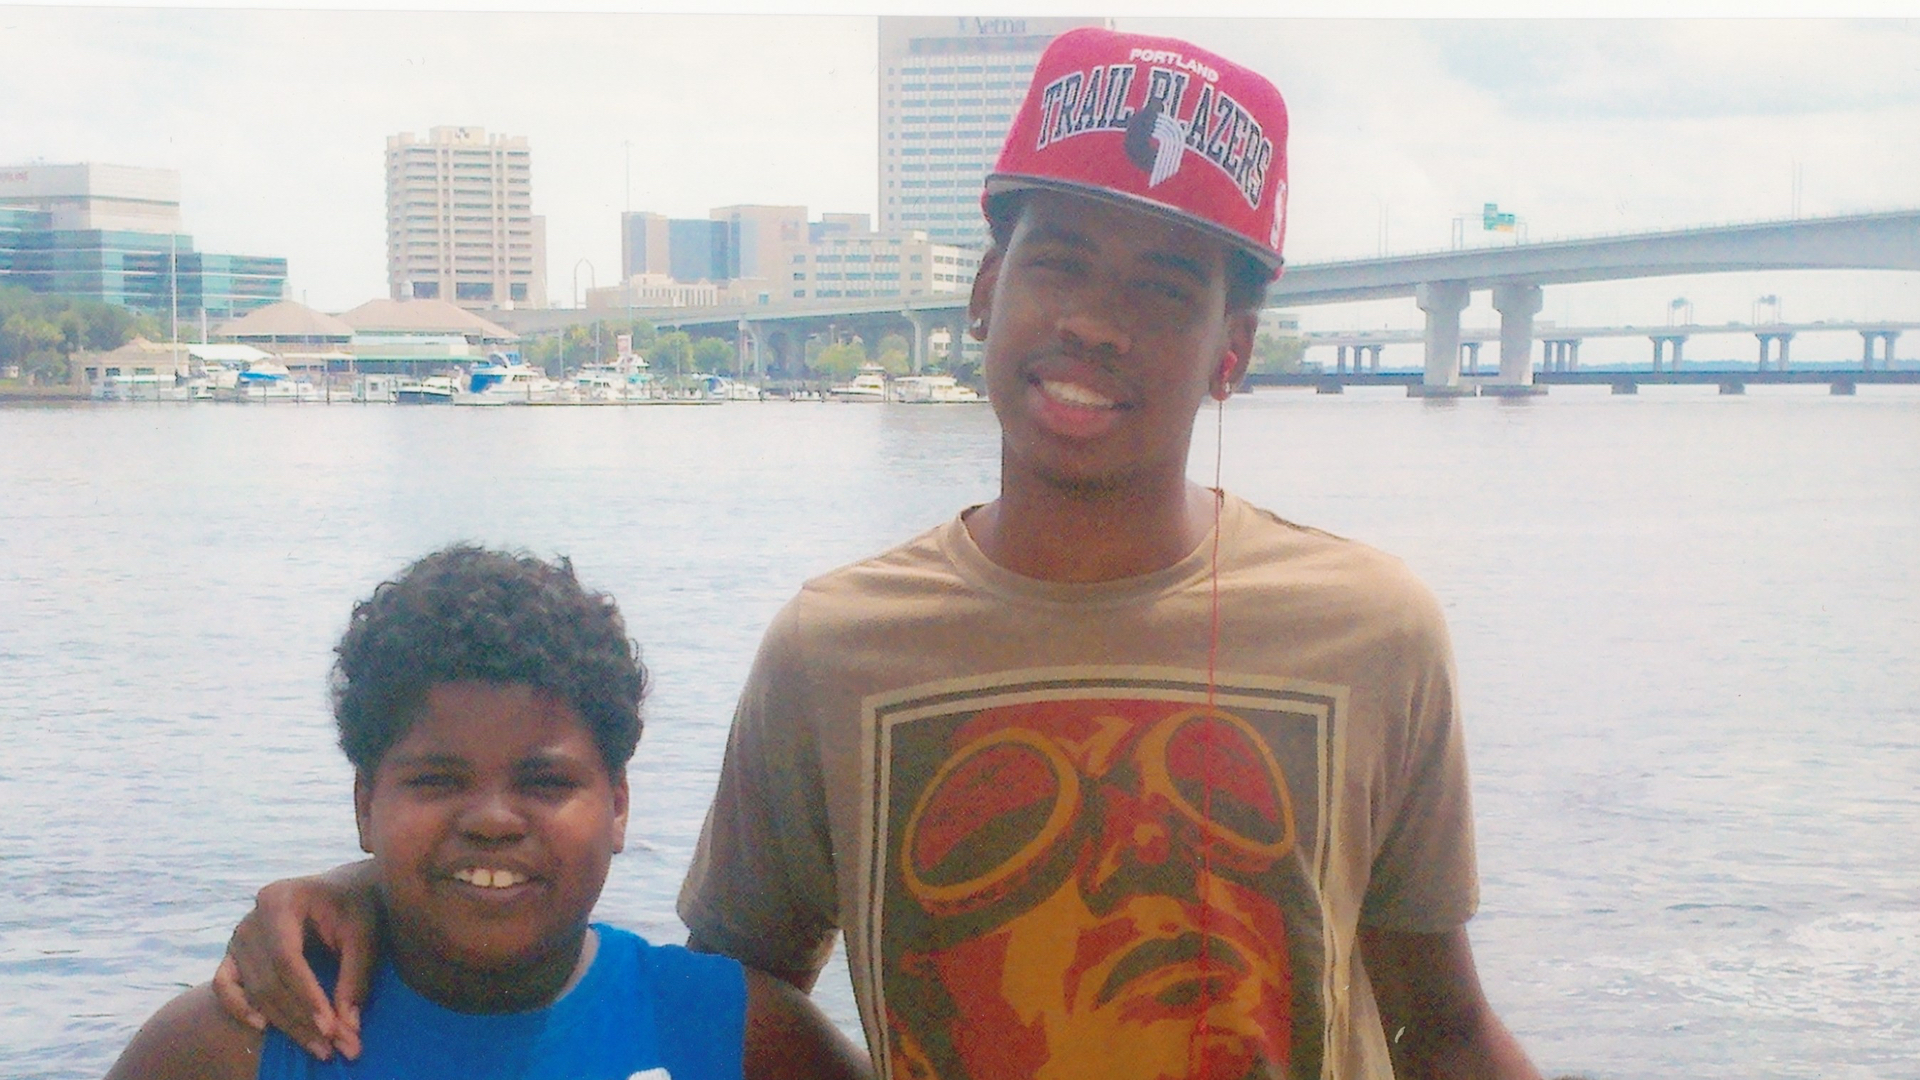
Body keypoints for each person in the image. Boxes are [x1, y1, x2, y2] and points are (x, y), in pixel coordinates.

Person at [216, 28, 1544, 1080]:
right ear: (985, 292)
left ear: (1234, 351)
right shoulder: (835, 647)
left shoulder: (1372, 628)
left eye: (1165, 288)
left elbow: (1440, 1028)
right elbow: (715, 1007)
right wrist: (381, 896)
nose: (1096, 322)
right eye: (1059, 263)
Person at [108, 545, 868, 1080]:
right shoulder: (228, 1048)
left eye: (546, 781)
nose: (493, 820)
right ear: (365, 806)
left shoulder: (748, 1040)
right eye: (437, 781)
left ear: (619, 805)